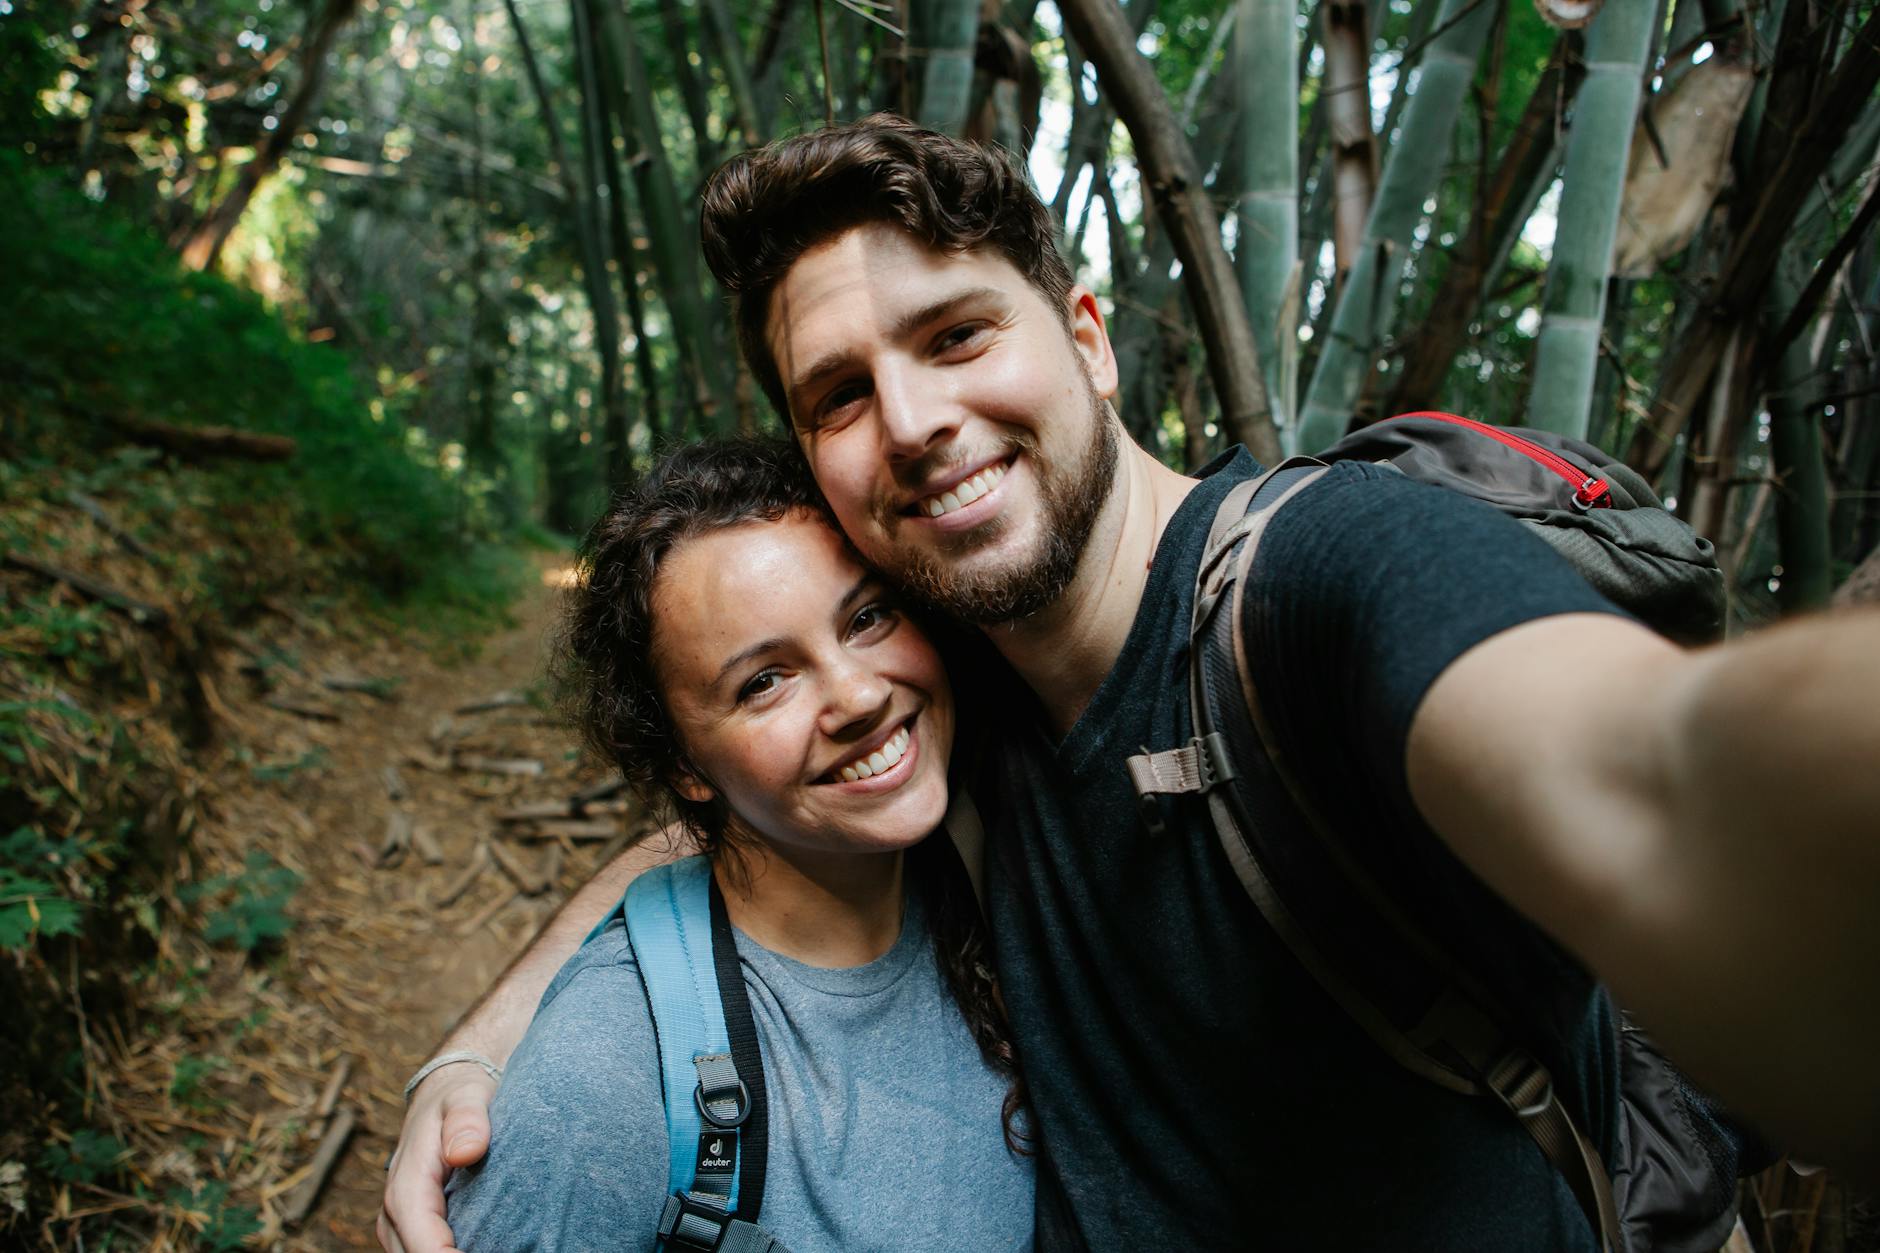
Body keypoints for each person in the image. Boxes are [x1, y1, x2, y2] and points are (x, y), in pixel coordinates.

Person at [381, 117, 1880, 1252]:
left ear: (1087, 342)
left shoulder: (1321, 586)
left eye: (957, 335)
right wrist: (482, 1045)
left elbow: (1652, 770)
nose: (913, 423)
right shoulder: (940, 672)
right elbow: (719, 822)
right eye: (840, 394)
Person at [441, 438, 1031, 1251]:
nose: (859, 695)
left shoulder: (1004, 874)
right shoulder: (603, 1078)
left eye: (866, 617)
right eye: (764, 681)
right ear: (686, 765)